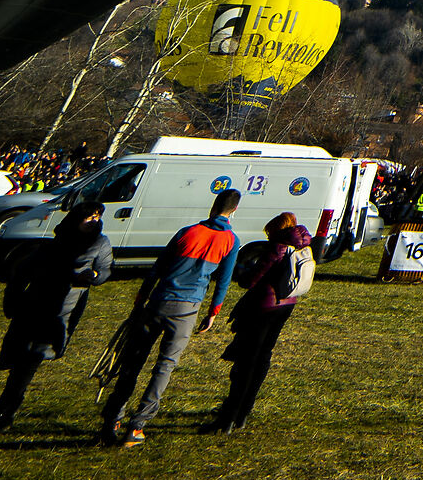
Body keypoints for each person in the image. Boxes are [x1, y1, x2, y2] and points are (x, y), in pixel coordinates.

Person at [99, 188, 242, 448]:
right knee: (164, 366)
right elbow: (223, 280)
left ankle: (113, 418)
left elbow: (159, 266)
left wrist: (143, 295)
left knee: (133, 361)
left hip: (158, 301)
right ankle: (137, 426)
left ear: (213, 206)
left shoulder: (187, 231)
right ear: (234, 211)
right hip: (187, 308)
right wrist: (213, 312)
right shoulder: (231, 240)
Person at [0, 200, 114, 444]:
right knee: (19, 363)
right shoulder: (54, 242)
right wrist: (13, 298)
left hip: (61, 312)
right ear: (76, 218)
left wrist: (94, 276)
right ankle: (3, 414)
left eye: (97, 216)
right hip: (35, 305)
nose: (94, 221)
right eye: (89, 216)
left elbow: (105, 270)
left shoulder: (101, 243)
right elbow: (22, 270)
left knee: (28, 364)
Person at [207, 213, 314, 433]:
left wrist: (241, 271)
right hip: (286, 304)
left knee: (247, 362)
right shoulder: (301, 246)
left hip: (264, 306)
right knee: (263, 357)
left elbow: (249, 281)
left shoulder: (277, 248)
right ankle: (243, 413)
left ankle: (228, 417)